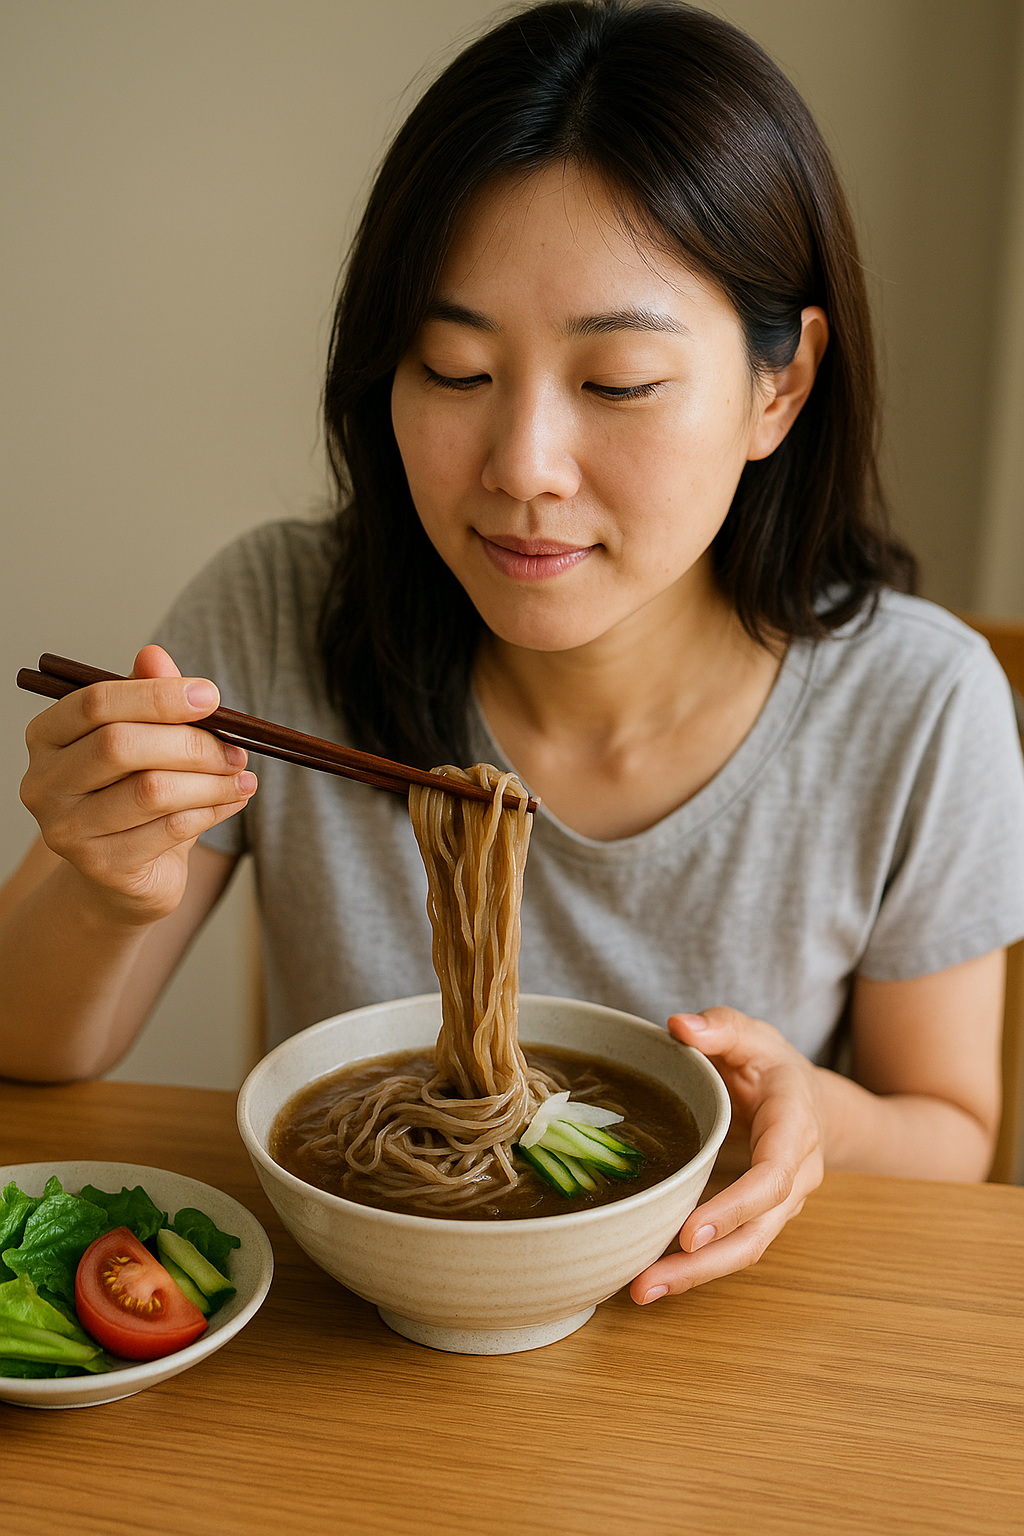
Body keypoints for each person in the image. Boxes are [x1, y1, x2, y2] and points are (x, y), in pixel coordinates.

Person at [2, 0, 1023, 1308]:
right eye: (455, 366)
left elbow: (950, 1134)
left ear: (781, 384)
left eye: (616, 384)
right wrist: (103, 883)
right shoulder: (276, 616)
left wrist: (815, 1113)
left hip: (718, 1359)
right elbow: (27, 1058)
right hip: (349, 1347)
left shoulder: (918, 707)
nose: (522, 467)